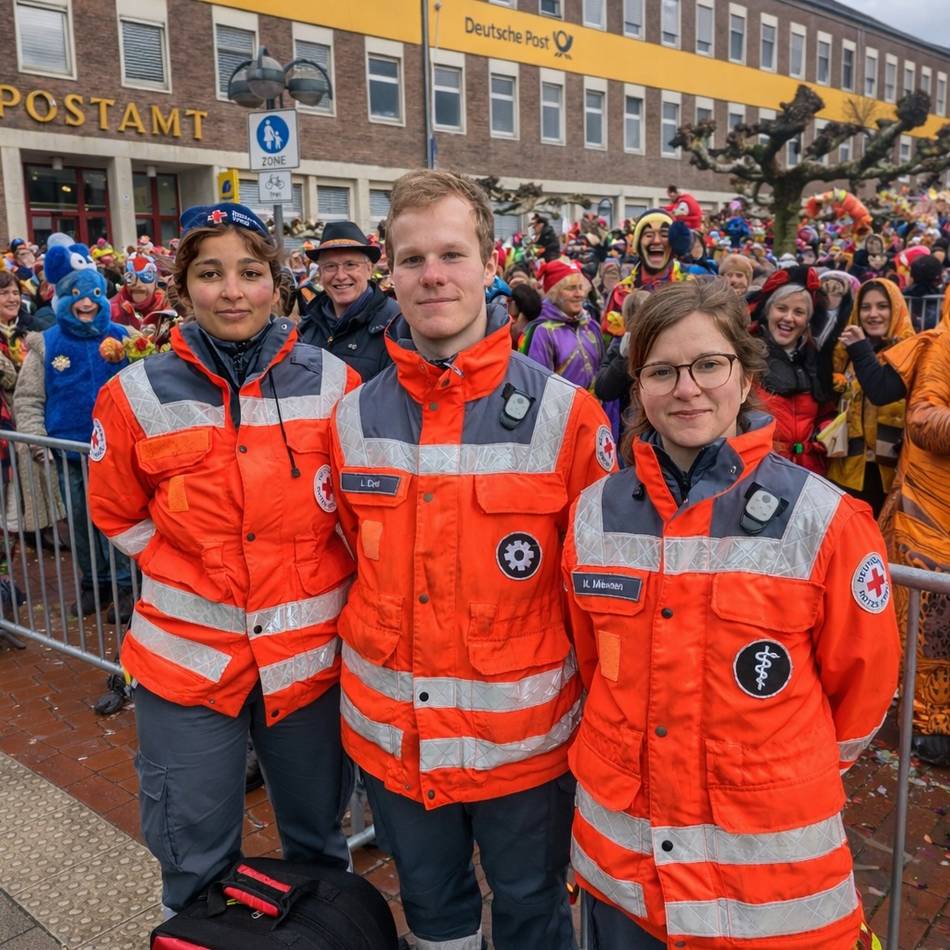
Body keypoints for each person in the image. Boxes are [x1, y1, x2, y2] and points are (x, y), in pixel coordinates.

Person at [563, 278, 900, 949]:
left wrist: (776, 768)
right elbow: (596, 663)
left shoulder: (824, 518)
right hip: (625, 871)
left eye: (708, 365)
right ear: (639, 388)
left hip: (767, 884)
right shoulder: (593, 514)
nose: (686, 389)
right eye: (661, 371)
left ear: (745, 379)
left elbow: (861, 689)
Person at [329, 169, 614, 950]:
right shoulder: (350, 414)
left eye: (452, 254)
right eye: (413, 258)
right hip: (396, 740)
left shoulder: (568, 417)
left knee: (533, 914)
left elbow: (594, 596)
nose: (432, 276)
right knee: (434, 916)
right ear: (389, 269)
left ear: (491, 265)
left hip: (525, 751)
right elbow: (350, 553)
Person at [87, 202, 360, 914]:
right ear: (183, 288)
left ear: (278, 282)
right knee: (193, 852)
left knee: (318, 844)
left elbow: (357, 519)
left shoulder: (336, 386)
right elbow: (115, 508)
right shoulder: (133, 395)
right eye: (210, 274)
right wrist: (186, 564)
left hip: (307, 663)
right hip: (188, 664)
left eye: (250, 271)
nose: (232, 291)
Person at [14, 264, 134, 619]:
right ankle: (93, 585)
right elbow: (29, 398)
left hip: (116, 452)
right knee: (81, 521)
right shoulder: (47, 343)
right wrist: (36, 441)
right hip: (70, 453)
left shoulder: (124, 337)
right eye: (78, 296)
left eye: (95, 295)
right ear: (64, 298)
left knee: (117, 521)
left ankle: (125, 585)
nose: (87, 304)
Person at [829, 279, 913, 515]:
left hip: (894, 474)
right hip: (847, 470)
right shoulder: (844, 351)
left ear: (896, 308)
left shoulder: (910, 352)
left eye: (882, 306)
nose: (873, 314)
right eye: (865, 307)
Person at [750, 267, 834, 473]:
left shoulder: (818, 360)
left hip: (810, 470)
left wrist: (824, 432)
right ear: (768, 312)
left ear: (807, 321)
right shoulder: (747, 357)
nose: (788, 318)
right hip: (761, 470)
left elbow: (827, 411)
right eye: (781, 308)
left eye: (798, 312)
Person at [296, 221, 399, 381]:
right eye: (330, 266)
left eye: (350, 265)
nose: (341, 275)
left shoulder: (395, 326)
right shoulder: (306, 328)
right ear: (320, 273)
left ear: (369, 270)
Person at [520, 259, 604, 389]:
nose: (579, 294)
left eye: (581, 287)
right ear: (554, 293)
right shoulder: (543, 331)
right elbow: (538, 383)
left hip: (594, 406)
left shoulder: (591, 325)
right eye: (571, 288)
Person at [110, 254, 167, 329]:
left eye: (146, 277)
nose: (138, 284)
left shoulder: (167, 307)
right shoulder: (112, 310)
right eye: (130, 277)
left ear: (155, 283)